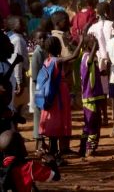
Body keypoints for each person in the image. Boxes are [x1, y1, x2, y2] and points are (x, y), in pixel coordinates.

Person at [37, 34, 80, 163]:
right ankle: (55, 155)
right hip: (58, 97)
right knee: (56, 125)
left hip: (51, 97)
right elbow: (74, 56)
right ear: (57, 48)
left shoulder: (46, 61)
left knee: (52, 125)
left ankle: (54, 153)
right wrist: (81, 42)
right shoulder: (57, 61)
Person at [78, 34, 105, 158]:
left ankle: (85, 147)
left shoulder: (93, 58)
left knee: (95, 121)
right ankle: (88, 148)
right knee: (91, 123)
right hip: (89, 96)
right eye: (93, 43)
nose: (97, 44)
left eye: (97, 42)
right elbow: (88, 64)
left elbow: (92, 73)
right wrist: (95, 48)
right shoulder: (87, 57)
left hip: (96, 95)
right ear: (87, 45)